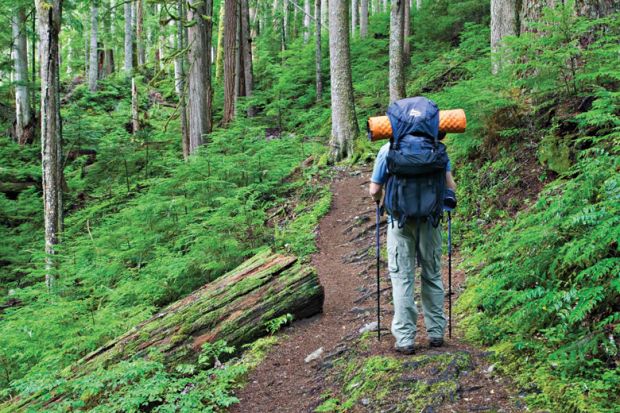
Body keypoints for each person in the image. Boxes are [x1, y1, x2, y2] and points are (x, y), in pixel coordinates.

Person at [369, 132, 456, 355]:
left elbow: (374, 189)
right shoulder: (436, 149)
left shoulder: (388, 149)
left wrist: (379, 203)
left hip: (399, 221)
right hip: (430, 221)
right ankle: (436, 333)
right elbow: (450, 187)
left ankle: (406, 338)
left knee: (402, 278)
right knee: (432, 274)